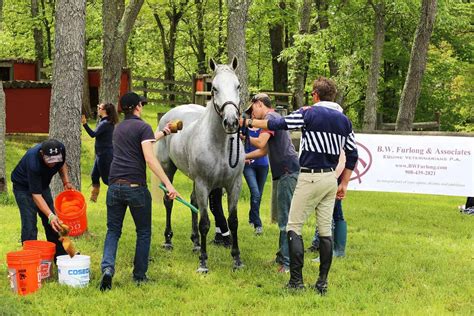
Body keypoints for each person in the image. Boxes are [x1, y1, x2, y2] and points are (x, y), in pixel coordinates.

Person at [242, 77, 358, 295]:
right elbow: (353, 154)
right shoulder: (344, 121)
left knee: (294, 226)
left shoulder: (309, 113)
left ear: (315, 94)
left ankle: (296, 280)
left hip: (309, 176)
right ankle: (322, 282)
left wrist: (248, 123)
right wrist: (344, 183)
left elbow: (278, 123)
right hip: (330, 179)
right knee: (325, 231)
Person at [99, 92, 179, 291]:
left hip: (114, 186)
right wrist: (168, 184)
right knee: (143, 232)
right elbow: (150, 158)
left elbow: (143, 141)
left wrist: (165, 133)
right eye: (141, 105)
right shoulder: (143, 127)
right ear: (137, 107)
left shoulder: (118, 129)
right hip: (135, 188)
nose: (142, 107)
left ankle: (107, 269)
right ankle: (139, 276)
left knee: (113, 231)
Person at [243, 93, 300, 273]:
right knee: (282, 216)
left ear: (259, 104)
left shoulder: (270, 118)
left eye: (252, 110)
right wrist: (243, 156)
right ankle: (281, 257)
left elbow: (260, 142)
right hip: (284, 171)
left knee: (285, 219)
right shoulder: (272, 120)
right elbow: (263, 150)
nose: (252, 115)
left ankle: (287, 264)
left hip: (286, 171)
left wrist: (244, 131)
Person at [11, 139, 74, 259]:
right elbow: (36, 195)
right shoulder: (33, 161)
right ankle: (29, 258)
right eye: (49, 160)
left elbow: (62, 164)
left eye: (55, 160)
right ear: (41, 154)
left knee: (53, 224)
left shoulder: (60, 150)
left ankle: (61, 257)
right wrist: (50, 215)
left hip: (42, 185)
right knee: (29, 223)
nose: (52, 164)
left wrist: (66, 181)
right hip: (23, 187)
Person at [82, 103, 118, 202]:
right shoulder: (105, 122)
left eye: (99, 108)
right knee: (94, 175)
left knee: (107, 180)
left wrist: (84, 123)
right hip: (101, 154)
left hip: (105, 155)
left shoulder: (105, 123)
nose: (97, 109)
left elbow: (93, 134)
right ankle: (94, 197)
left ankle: (116, 195)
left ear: (104, 110)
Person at [242, 109, 269, 235]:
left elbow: (263, 146)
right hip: (248, 165)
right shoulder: (243, 129)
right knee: (255, 192)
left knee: (259, 195)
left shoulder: (263, 129)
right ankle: (258, 225)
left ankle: (252, 217)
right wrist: (243, 157)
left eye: (255, 113)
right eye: (251, 113)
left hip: (263, 165)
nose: (253, 115)